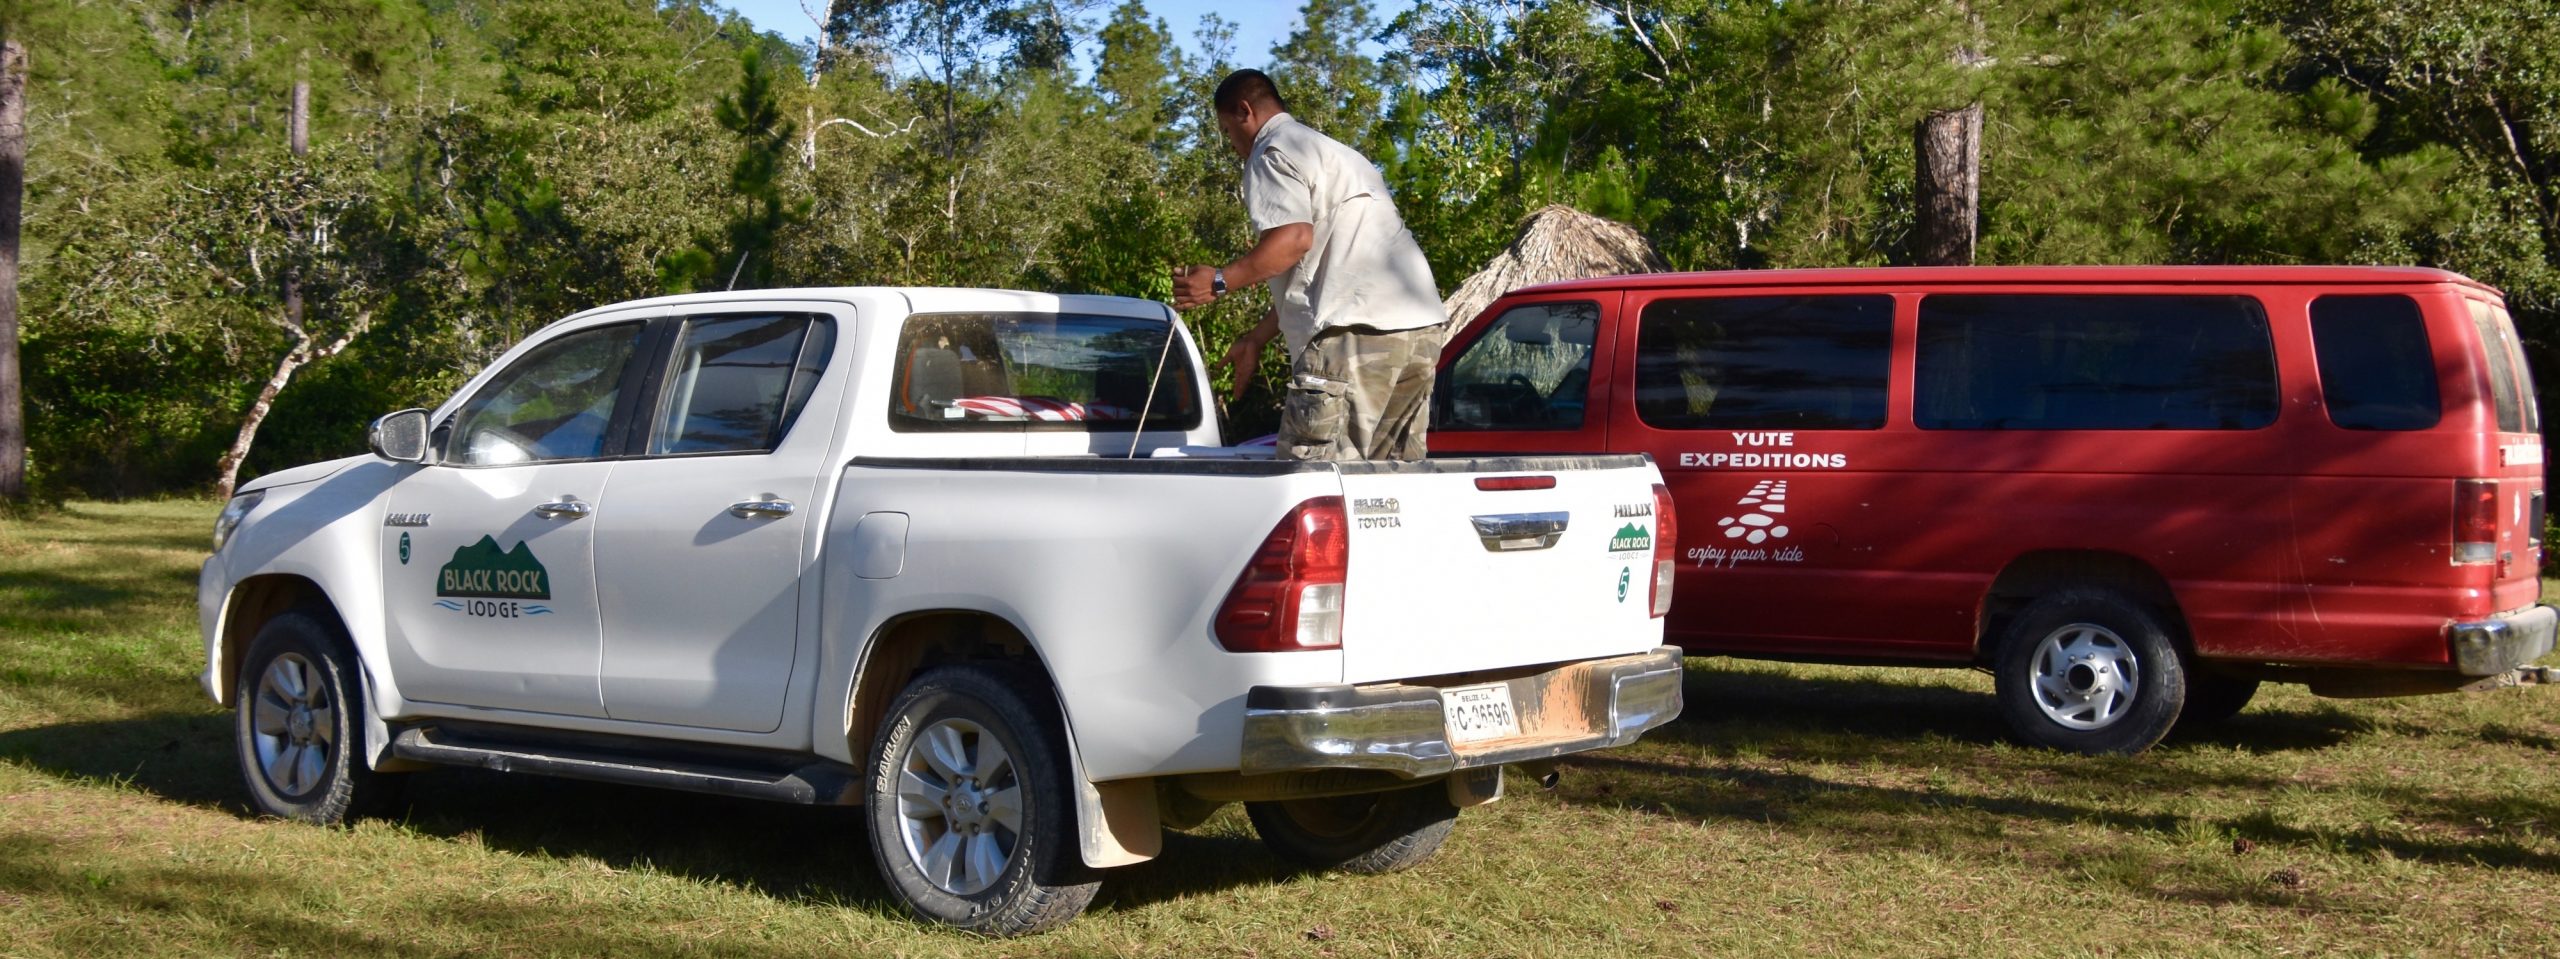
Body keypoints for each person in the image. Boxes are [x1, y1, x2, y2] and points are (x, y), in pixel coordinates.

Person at [1172, 69, 1447, 462]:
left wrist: (1217, 281)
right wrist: (1256, 338)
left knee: (1318, 483)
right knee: (1391, 483)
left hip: (1355, 331)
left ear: (1244, 111)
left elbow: (1293, 240)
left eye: (1228, 131)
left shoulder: (1272, 151)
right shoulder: (1337, 153)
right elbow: (1317, 269)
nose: (1233, 144)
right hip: (1418, 326)